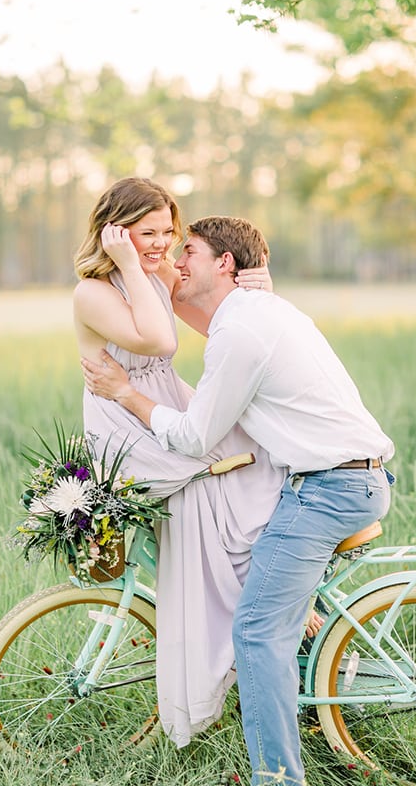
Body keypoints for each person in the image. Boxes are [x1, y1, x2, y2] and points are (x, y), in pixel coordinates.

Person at [82, 215, 395, 786]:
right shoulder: (253, 312)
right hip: (343, 478)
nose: (176, 262)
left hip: (329, 489)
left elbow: (195, 437)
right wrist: (137, 264)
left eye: (190, 252)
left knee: (253, 628)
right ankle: (313, 649)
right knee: (262, 577)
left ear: (224, 263)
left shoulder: (241, 331)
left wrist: (126, 394)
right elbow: (170, 313)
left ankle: (276, 778)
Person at [73, 178, 316, 750]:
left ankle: (279, 589)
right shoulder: (92, 290)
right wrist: (131, 263)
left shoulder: (151, 274)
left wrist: (257, 288)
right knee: (208, 502)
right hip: (125, 424)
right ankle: (266, 604)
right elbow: (157, 340)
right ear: (114, 231)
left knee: (263, 456)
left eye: (167, 233)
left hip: (162, 402)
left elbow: (216, 318)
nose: (160, 244)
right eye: (146, 232)